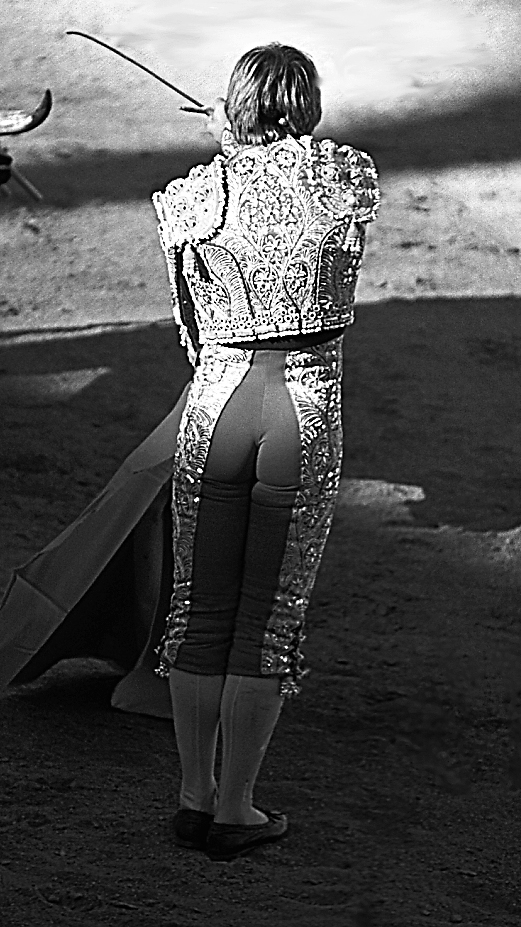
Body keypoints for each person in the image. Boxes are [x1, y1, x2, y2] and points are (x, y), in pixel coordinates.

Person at [151, 43, 379, 860]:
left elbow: (188, 322)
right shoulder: (344, 179)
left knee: (199, 609)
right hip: (304, 414)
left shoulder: (190, 196)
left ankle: (193, 795)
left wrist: (229, 147)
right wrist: (247, 140)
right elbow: (314, 177)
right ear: (308, 105)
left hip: (215, 408)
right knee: (267, 621)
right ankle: (238, 807)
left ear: (234, 108)